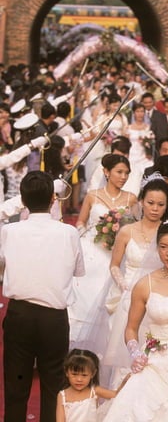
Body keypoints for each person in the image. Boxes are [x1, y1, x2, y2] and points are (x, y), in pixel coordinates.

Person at [99, 218, 168, 421]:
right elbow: (131, 329)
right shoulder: (144, 284)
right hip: (153, 359)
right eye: (163, 247)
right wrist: (135, 352)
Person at [1, 171, 85, 422]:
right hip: (54, 319)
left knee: (16, 390)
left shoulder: (10, 231)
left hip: (20, 315)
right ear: (53, 198)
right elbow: (79, 271)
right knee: (52, 389)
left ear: (23, 201)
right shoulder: (68, 233)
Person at [103, 176, 168, 388]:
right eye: (150, 203)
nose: (155, 208)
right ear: (141, 201)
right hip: (128, 296)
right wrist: (123, 283)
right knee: (125, 358)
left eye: (161, 205)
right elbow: (114, 264)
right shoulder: (127, 231)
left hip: (158, 299)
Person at [69, 154, 137, 344]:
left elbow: (136, 227)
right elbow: (81, 222)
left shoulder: (131, 199)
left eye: (126, 173)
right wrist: (86, 237)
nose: (123, 177)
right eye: (119, 172)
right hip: (92, 250)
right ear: (106, 172)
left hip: (118, 255)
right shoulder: (92, 196)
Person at [56, 349, 129, 422]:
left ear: (92, 374)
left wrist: (125, 382)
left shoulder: (94, 390)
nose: (79, 379)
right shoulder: (62, 395)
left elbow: (116, 394)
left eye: (84, 375)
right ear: (67, 372)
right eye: (74, 374)